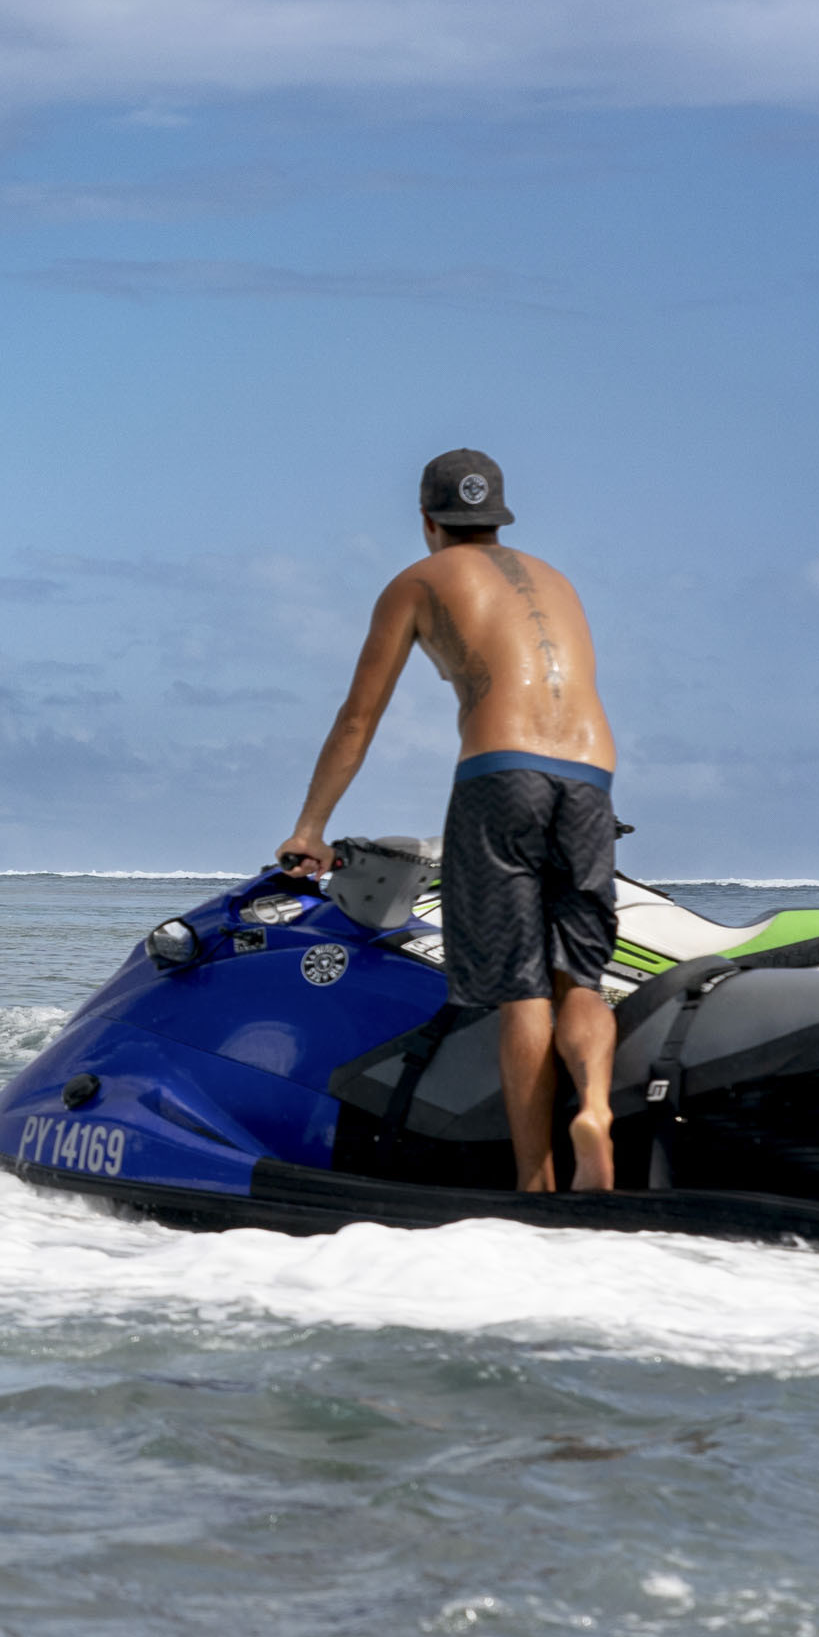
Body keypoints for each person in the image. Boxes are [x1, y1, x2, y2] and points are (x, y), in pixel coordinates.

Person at [277, 449, 621, 1194]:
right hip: (591, 774)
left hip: (502, 774)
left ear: (428, 521)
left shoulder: (419, 581)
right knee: (581, 980)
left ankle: (536, 1183)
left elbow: (358, 718)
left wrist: (310, 829)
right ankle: (595, 1108)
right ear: (499, 516)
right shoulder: (558, 580)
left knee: (521, 992)